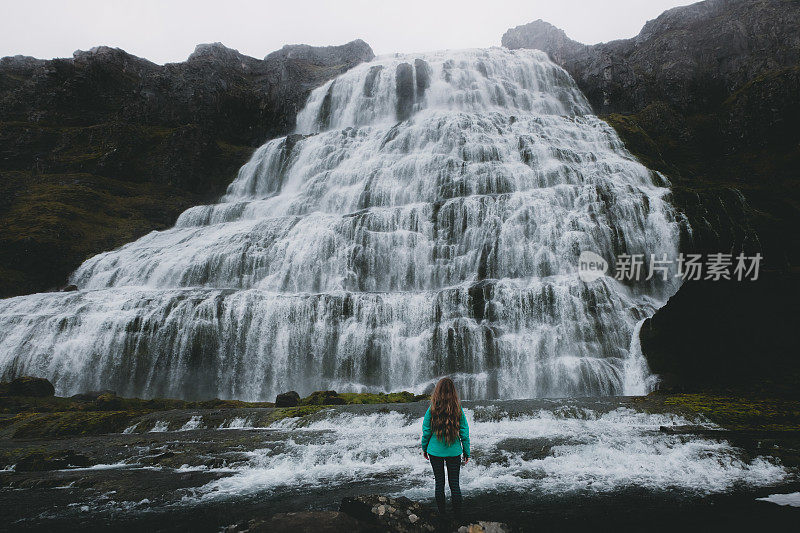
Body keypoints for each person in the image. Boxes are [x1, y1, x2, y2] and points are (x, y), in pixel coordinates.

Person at [420, 377, 470, 518]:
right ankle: (457, 516)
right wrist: (467, 452)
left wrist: (424, 448)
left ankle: (442, 515)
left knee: (439, 483)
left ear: (437, 391)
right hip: (454, 452)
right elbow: (464, 432)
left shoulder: (433, 408)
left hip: (434, 452)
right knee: (455, 485)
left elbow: (426, 431)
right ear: (453, 391)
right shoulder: (457, 408)